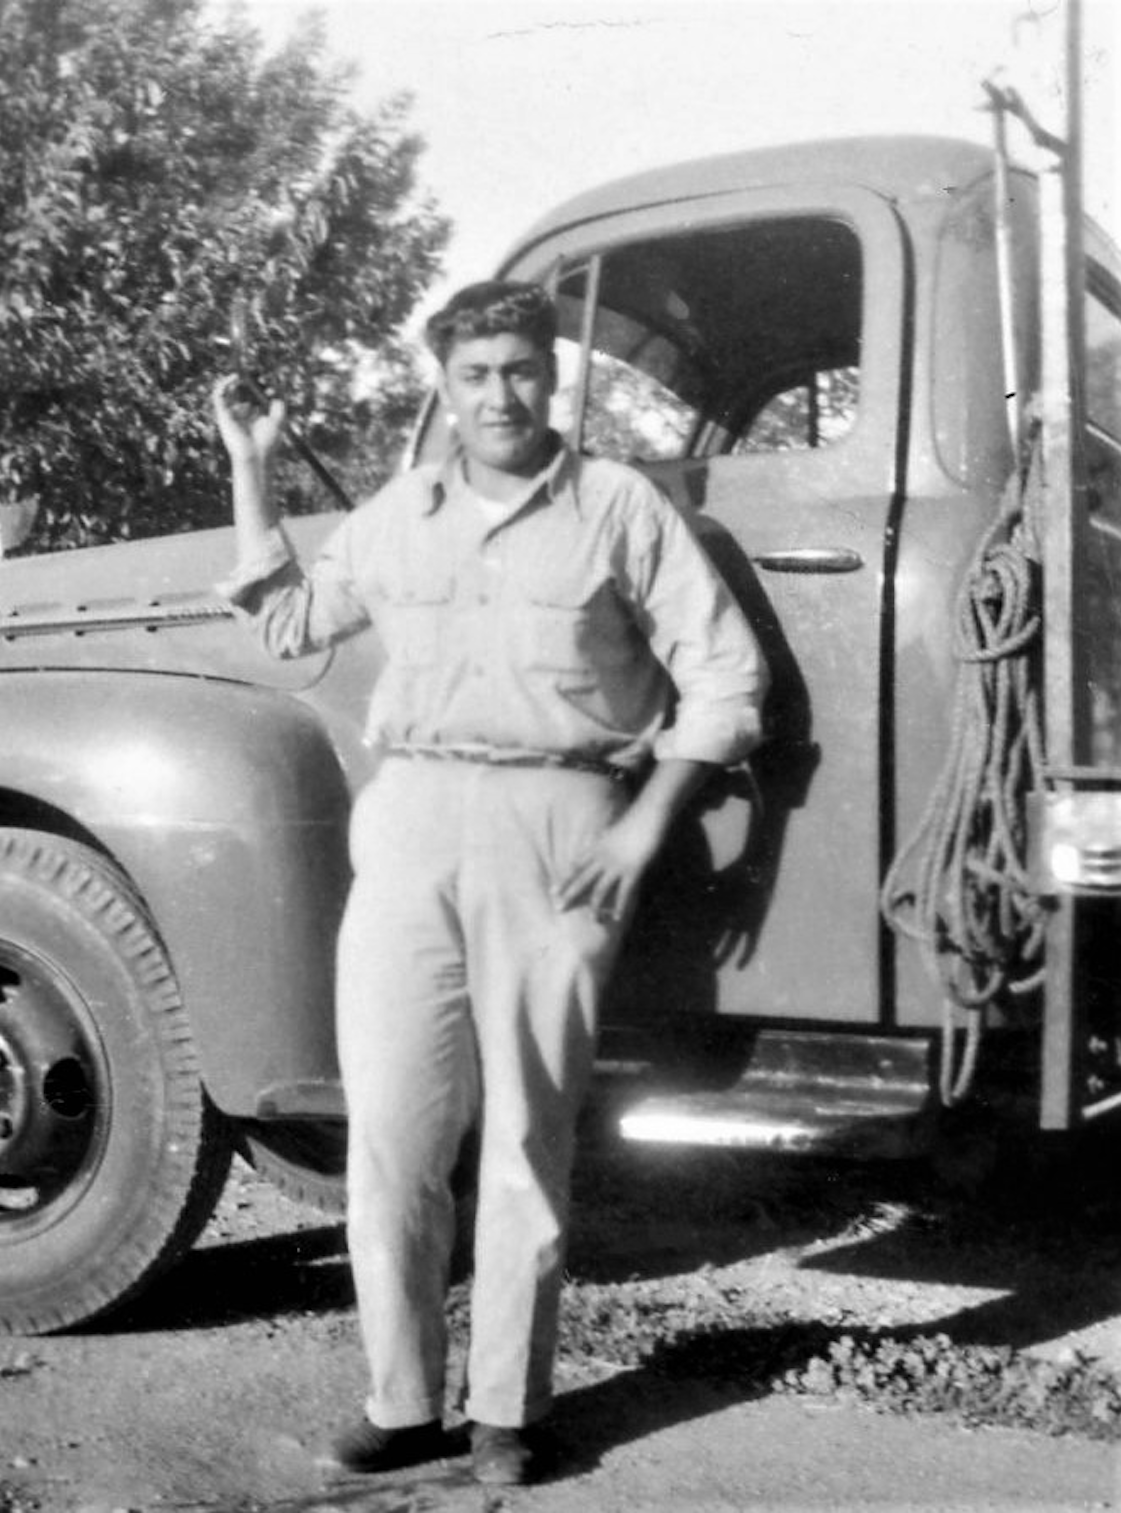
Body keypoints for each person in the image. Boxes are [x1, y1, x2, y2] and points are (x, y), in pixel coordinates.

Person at [211, 280, 767, 1486]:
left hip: (559, 820)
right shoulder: (398, 511)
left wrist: (643, 829)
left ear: (553, 376)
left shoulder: (619, 507)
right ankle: (401, 1402)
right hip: (409, 819)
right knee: (394, 1136)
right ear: (444, 388)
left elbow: (725, 680)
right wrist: (252, 471)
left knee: (525, 1133)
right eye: (475, 375)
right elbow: (291, 624)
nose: (500, 393)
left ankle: (511, 1410)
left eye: (520, 369)